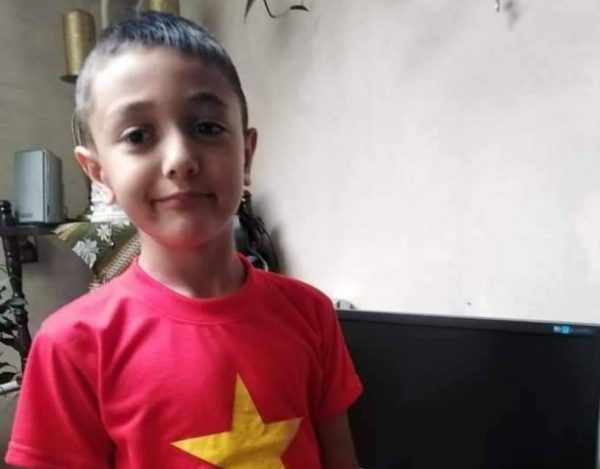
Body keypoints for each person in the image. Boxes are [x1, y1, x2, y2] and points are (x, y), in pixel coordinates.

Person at [5, 11, 362, 469]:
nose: (180, 159)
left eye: (207, 128)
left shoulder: (310, 313)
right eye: (138, 135)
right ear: (99, 173)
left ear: (245, 154)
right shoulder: (70, 345)